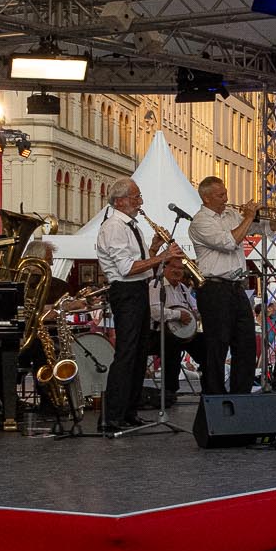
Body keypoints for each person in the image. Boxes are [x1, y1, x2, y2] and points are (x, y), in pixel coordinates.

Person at [94, 183, 183, 433]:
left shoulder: (131, 227)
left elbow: (142, 264)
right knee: (127, 353)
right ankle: (112, 415)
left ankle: (129, 412)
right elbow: (126, 268)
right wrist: (163, 257)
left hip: (138, 289)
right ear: (120, 201)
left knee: (139, 352)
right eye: (136, 197)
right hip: (126, 291)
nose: (140, 202)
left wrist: (153, 247)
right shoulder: (114, 227)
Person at [183, 176, 259, 400]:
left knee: (246, 343)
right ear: (206, 198)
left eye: (225, 193)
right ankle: (215, 397)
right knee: (218, 344)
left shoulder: (231, 215)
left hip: (237, 286)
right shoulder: (200, 222)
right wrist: (249, 216)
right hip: (214, 288)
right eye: (220, 195)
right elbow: (229, 242)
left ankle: (241, 396)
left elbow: (261, 228)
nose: (226, 198)